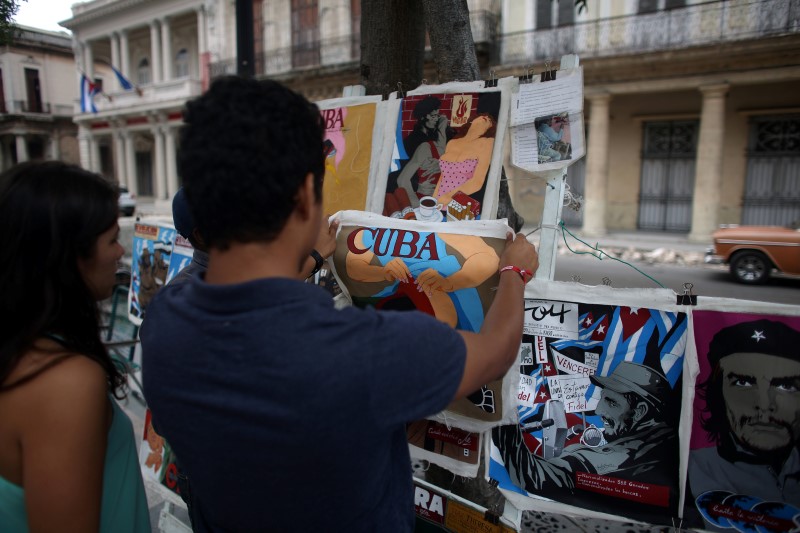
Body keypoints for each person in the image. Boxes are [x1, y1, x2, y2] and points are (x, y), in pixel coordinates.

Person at [139, 76, 538, 531]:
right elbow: (496, 352)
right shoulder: (362, 354)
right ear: (305, 197)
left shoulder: (166, 319)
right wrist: (514, 272)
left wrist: (309, 259)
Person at [0, 161, 151, 532]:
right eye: (112, 239)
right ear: (69, 256)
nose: (120, 253)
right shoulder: (64, 381)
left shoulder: (20, 351)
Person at [494, 362, 678, 498]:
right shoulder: (670, 443)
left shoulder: (627, 454)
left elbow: (533, 477)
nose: (598, 411)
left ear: (640, 412)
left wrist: (501, 416)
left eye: (611, 402)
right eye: (602, 399)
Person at [690, 319, 800, 515]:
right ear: (718, 393)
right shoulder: (694, 469)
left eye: (785, 386)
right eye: (744, 383)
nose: (765, 405)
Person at [432, 113, 497, 208]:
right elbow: (442, 177)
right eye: (483, 116)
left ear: (490, 128)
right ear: (472, 120)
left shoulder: (487, 142)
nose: (487, 117)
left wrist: (448, 197)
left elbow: (477, 182)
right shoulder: (452, 143)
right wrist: (434, 200)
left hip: (458, 202)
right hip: (439, 201)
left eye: (490, 120)